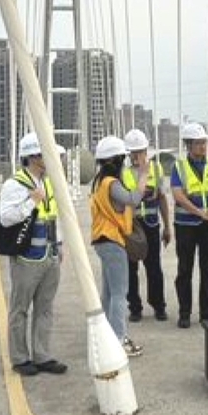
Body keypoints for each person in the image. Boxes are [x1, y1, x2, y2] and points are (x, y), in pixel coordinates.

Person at [0, 133, 67, 376]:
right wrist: (30, 202)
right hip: (26, 258)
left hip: (49, 255)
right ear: (34, 157)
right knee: (20, 308)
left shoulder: (49, 182)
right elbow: (5, 218)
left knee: (45, 307)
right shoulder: (14, 184)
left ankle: (42, 355)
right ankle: (19, 357)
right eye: (47, 154)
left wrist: (59, 244)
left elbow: (53, 216)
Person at [90, 135, 148, 357]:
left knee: (108, 293)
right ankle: (118, 340)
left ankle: (106, 338)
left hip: (104, 240)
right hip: (112, 241)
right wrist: (143, 175)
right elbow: (133, 199)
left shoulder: (99, 183)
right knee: (118, 294)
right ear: (115, 160)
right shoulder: (111, 184)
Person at [170, 123, 208, 328]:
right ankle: (184, 312)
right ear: (188, 145)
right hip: (185, 224)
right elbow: (178, 195)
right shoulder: (179, 167)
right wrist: (201, 213)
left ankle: (206, 311)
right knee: (185, 269)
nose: (203, 146)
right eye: (198, 143)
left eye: (204, 142)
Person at [122, 129, 172, 323]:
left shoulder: (156, 170)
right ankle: (135, 307)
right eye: (132, 152)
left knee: (154, 268)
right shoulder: (123, 173)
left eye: (139, 151)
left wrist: (167, 227)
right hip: (131, 227)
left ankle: (159, 306)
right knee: (131, 268)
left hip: (151, 225)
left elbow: (162, 200)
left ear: (146, 151)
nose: (136, 156)